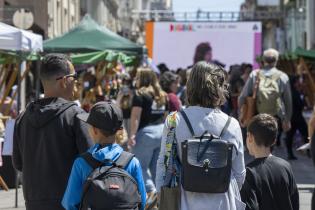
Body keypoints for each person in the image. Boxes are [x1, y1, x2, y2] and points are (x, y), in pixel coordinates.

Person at [156, 62, 246, 210]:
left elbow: (165, 165)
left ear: (191, 86)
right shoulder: (232, 124)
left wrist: (162, 197)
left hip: (186, 201)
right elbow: (239, 173)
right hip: (223, 202)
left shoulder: (174, 120)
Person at [12, 54, 92, 210]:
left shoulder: (22, 118)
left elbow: (18, 163)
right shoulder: (77, 115)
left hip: (34, 202)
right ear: (63, 81)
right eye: (74, 77)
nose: (76, 82)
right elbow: (91, 163)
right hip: (70, 203)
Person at [62, 102, 146, 210]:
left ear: (95, 130)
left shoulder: (81, 163)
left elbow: (70, 204)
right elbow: (142, 201)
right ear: (118, 130)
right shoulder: (132, 162)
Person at [128, 67, 168, 209]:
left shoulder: (140, 94)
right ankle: (159, 198)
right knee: (156, 169)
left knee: (140, 167)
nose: (135, 80)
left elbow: (135, 117)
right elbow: (165, 116)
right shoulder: (162, 95)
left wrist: (132, 134)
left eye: (137, 77)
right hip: (161, 132)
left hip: (146, 134)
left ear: (142, 78)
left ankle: (151, 197)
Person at [241, 114, 299, 210]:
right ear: (274, 140)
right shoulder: (285, 166)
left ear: (250, 137)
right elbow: (294, 202)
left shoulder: (249, 172)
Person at [238, 48, 292, 146]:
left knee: (258, 143)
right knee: (270, 144)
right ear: (276, 60)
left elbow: (243, 96)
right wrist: (287, 119)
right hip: (275, 116)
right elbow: (288, 101)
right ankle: (269, 158)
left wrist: (242, 113)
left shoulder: (255, 74)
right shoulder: (282, 76)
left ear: (263, 60)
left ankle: (260, 159)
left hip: (257, 115)